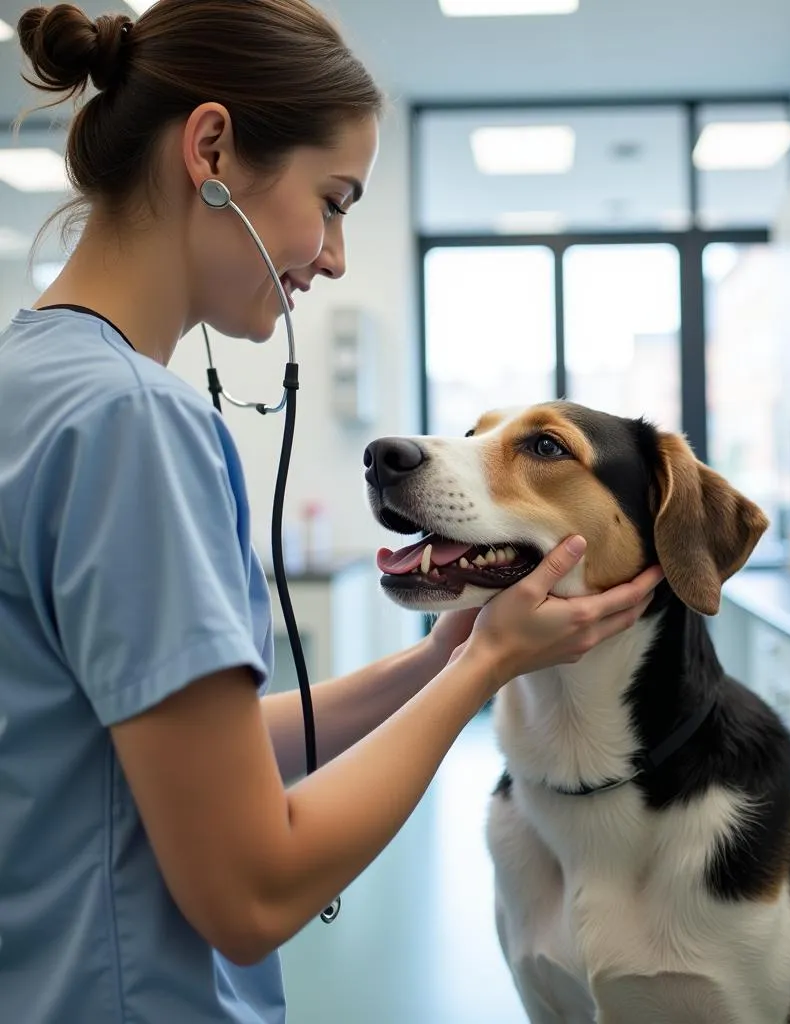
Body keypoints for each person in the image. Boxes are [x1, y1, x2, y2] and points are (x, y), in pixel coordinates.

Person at [0, 2, 664, 1021]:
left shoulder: (29, 380)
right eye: (335, 199)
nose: (337, 253)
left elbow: (151, 754)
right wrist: (486, 671)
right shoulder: (135, 423)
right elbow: (251, 889)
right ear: (212, 147)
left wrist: (443, 654)